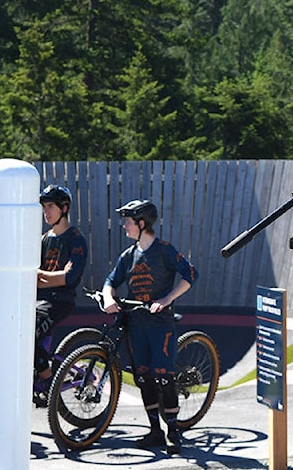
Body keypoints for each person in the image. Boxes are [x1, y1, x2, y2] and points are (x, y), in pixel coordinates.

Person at [101, 199, 198, 455]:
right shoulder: (129, 255)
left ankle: (173, 432)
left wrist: (167, 300)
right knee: (143, 376)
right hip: (136, 324)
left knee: (164, 377)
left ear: (142, 224)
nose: (124, 226)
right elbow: (110, 280)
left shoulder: (164, 251)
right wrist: (109, 297)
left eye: (128, 222)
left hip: (160, 325)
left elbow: (190, 274)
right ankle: (155, 430)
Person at [33, 184, 88, 404]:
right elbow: (32, 276)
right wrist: (48, 277)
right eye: (44, 207)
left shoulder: (75, 238)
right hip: (39, 300)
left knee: (28, 337)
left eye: (50, 207)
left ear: (64, 208)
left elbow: (70, 278)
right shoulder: (44, 239)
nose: (46, 212)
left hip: (60, 301)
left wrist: (41, 276)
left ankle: (49, 383)